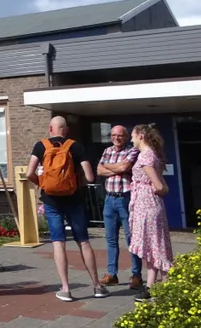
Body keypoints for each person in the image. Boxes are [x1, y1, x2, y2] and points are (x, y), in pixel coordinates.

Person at [27, 116, 108, 302]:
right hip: (74, 200)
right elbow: (89, 177)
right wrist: (74, 182)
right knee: (84, 242)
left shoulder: (40, 146)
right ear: (67, 130)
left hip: (51, 201)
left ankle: (65, 289)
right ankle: (96, 285)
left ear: (50, 129)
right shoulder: (76, 146)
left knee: (58, 242)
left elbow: (29, 173)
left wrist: (44, 184)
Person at [129, 124, 174, 302]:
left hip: (147, 205)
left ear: (140, 136)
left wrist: (151, 190)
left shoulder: (146, 156)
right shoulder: (150, 154)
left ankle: (166, 286)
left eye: (132, 136)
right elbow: (163, 186)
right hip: (148, 204)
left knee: (156, 245)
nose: (131, 139)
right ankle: (150, 287)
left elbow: (160, 186)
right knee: (152, 246)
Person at [96, 125, 143, 289]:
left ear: (126, 136)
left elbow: (125, 167)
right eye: (114, 135)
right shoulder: (107, 151)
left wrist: (109, 166)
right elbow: (98, 170)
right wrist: (115, 168)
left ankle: (137, 275)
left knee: (132, 238)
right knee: (110, 239)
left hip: (125, 198)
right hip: (109, 199)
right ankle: (111, 274)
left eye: (120, 135)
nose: (117, 138)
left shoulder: (132, 150)